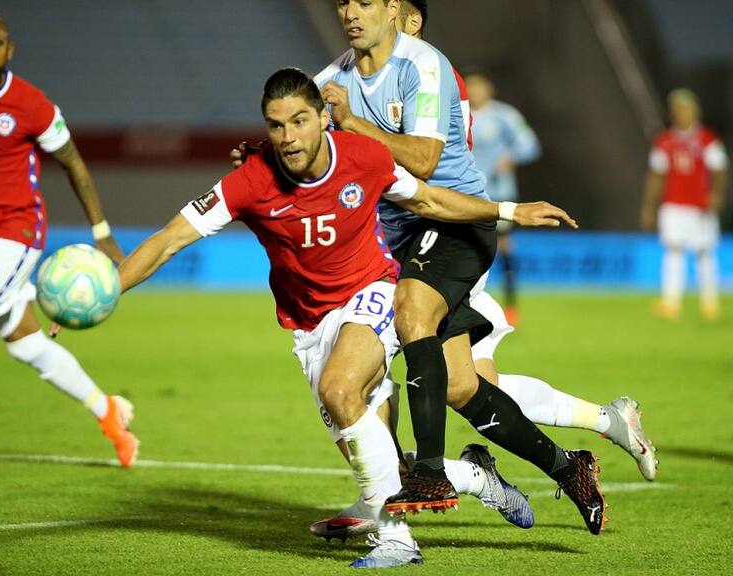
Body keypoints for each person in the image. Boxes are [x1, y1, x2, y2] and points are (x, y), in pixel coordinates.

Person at [118, 68, 577, 568]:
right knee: (381, 463)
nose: (289, 137)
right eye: (276, 125)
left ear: (322, 118)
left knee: (340, 390)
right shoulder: (248, 181)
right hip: (308, 324)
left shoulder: (363, 158)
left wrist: (508, 210)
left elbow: (428, 199)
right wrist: (108, 291)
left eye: (299, 121)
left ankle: (396, 542)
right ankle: (475, 477)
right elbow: (169, 238)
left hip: (372, 292)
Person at [316, 0, 604, 536]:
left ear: (393, 11)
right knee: (457, 386)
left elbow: (424, 161)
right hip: (400, 238)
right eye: (343, 2)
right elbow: (312, 150)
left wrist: (350, 122)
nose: (351, 11)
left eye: (364, 1)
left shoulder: (423, 64)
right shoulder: (330, 79)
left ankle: (428, 474)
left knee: (411, 309)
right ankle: (571, 468)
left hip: (457, 219)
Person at [0, 4, 138, 466]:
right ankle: (109, 414)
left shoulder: (31, 104)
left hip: (16, 230)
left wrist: (100, 231)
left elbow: (74, 162)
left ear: (9, 50)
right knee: (25, 342)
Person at [641, 88, 728, 320]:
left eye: (685, 108)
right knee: (673, 250)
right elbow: (656, 175)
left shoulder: (708, 139)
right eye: (677, 109)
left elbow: (720, 170)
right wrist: (649, 207)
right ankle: (671, 302)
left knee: (704, 251)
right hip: (673, 205)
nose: (681, 113)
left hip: (700, 205)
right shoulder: (664, 141)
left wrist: (716, 194)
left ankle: (710, 303)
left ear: (695, 111)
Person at [465, 71, 541, 325]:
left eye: (479, 86)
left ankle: (510, 305)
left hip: (500, 193)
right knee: (468, 246)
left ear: (490, 89)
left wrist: (510, 156)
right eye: (471, 86)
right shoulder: (459, 113)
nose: (475, 91)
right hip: (468, 193)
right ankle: (467, 302)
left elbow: (529, 144)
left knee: (504, 246)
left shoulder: (505, 115)